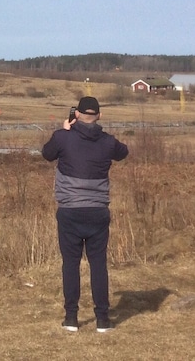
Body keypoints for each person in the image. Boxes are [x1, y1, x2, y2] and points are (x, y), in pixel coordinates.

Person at [41, 96, 129, 333]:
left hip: (69, 211)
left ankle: (71, 318)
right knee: (98, 263)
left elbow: (47, 154)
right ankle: (102, 319)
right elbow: (124, 152)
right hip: (98, 211)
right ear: (99, 116)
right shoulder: (108, 142)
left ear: (76, 114)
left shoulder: (62, 137)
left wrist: (65, 129)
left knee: (70, 264)